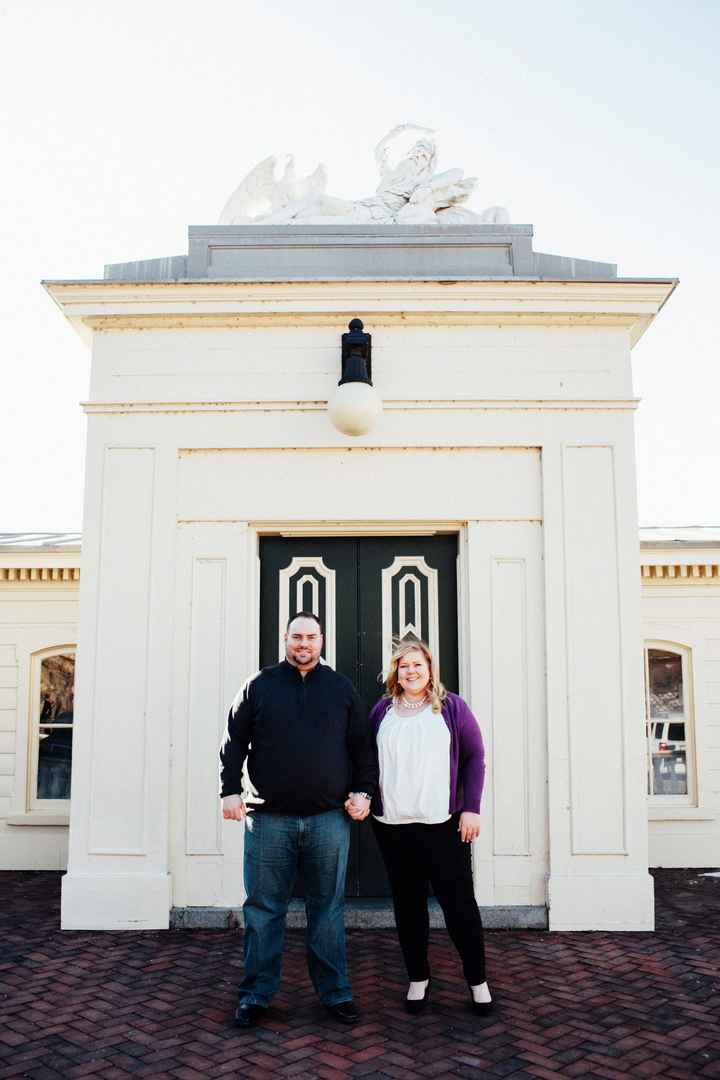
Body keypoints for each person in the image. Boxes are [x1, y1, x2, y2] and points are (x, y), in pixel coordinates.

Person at [220, 612, 377, 1028]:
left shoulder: (341, 689)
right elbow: (233, 741)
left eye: (310, 637)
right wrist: (229, 790)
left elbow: (362, 747)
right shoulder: (260, 685)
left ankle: (335, 994)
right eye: (296, 637)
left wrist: (365, 792)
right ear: (284, 639)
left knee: (326, 909)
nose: (303, 644)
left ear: (322, 640)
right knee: (263, 909)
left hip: (329, 819)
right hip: (268, 819)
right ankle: (256, 995)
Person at [346, 637, 492, 1015]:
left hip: (442, 826)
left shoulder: (451, 707)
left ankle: (477, 982)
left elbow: (475, 757)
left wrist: (471, 808)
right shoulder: (382, 711)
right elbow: (366, 761)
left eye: (418, 665)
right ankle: (418, 979)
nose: (411, 671)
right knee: (408, 907)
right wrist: (362, 796)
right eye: (404, 665)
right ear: (396, 671)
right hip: (392, 826)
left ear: (430, 670)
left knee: (459, 907)